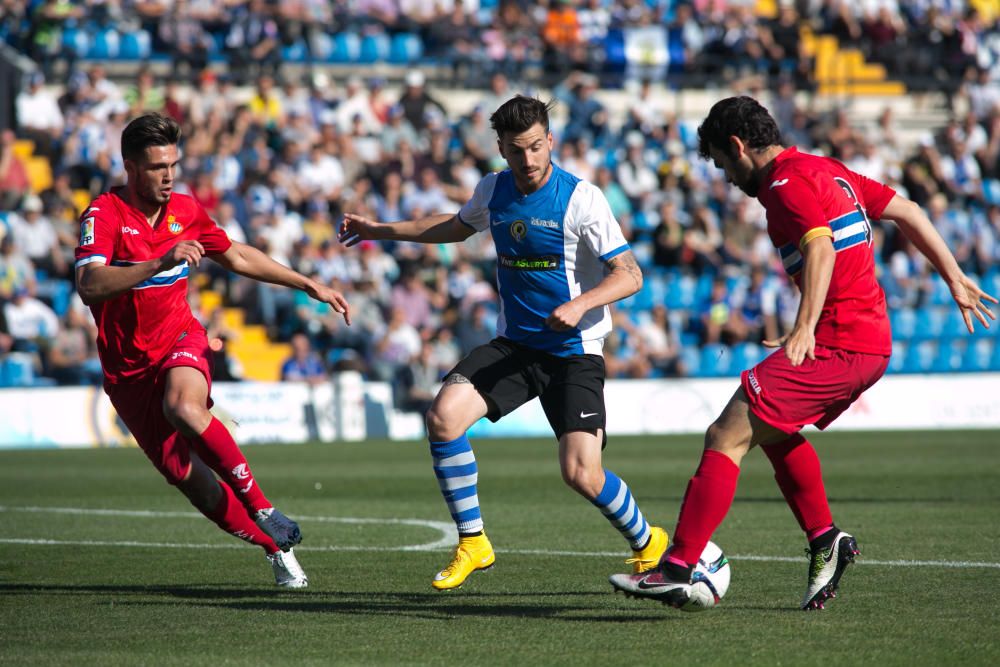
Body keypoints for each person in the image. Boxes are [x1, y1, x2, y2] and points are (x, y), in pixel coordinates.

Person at [610, 96, 997, 610]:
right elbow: (907, 210)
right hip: (866, 341)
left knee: (725, 434)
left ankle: (679, 565)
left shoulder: (782, 184)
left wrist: (804, 326)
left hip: (841, 340)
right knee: (772, 429)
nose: (727, 178)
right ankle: (825, 540)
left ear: (738, 146)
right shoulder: (826, 170)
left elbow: (819, 244)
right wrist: (955, 277)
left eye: (724, 164)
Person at [339, 95, 668, 591]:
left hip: (574, 351)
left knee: (582, 473)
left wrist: (581, 306)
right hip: (516, 344)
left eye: (537, 147)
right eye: (517, 151)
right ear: (501, 149)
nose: (529, 160)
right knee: (443, 416)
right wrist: (380, 231)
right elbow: (453, 226)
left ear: (551, 141)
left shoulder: (582, 198)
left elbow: (630, 274)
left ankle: (649, 545)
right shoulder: (493, 189)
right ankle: (473, 541)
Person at [74, 113, 351, 588]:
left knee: (182, 405)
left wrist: (307, 283)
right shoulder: (104, 215)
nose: (168, 175)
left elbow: (237, 254)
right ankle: (274, 547)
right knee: (189, 478)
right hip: (127, 371)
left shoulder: (186, 209)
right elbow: (89, 284)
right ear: (129, 166)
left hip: (181, 339)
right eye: (157, 166)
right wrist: (159, 261)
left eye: (173, 164)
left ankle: (262, 506)